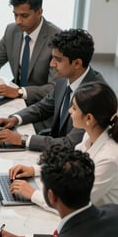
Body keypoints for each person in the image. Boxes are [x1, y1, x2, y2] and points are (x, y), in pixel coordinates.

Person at [0, 28, 106, 152]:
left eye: (58, 59)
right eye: (52, 58)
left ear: (77, 63)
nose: (52, 64)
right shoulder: (65, 78)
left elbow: (71, 144)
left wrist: (23, 139)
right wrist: (15, 119)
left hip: (72, 159)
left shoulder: (96, 96)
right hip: (55, 148)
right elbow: (43, 107)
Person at [9, 82, 118, 210]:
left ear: (89, 118)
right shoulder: (90, 135)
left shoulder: (110, 159)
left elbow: (78, 205)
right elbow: (70, 162)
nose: (69, 110)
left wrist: (33, 194)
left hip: (102, 224)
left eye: (74, 108)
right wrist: (35, 170)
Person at [0, 0, 61, 106]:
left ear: (39, 12)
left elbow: (55, 87)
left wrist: (19, 92)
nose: (18, 21)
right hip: (13, 99)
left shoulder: (57, 37)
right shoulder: (12, 30)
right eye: (15, 15)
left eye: (24, 16)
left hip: (41, 106)